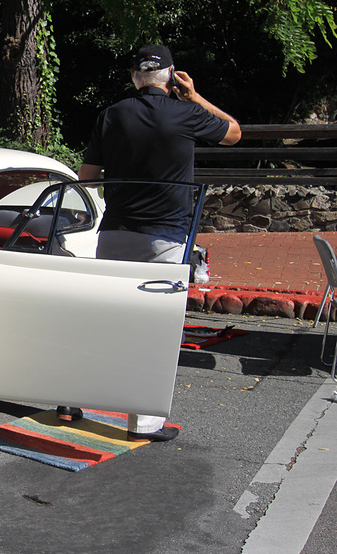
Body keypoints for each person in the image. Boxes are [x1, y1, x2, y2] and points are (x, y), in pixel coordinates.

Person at [62, 45, 241, 442]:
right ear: (172, 75)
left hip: (115, 231)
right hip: (166, 235)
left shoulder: (111, 115)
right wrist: (193, 96)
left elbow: (87, 177)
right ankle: (142, 422)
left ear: (133, 76)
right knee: (154, 329)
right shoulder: (187, 113)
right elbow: (233, 132)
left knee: (106, 319)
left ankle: (72, 399)